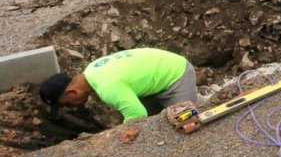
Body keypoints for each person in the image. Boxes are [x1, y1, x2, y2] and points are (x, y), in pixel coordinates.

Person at [39, 48, 198, 122]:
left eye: (66, 103)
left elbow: (137, 115)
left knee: (183, 121)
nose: (70, 107)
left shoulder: (107, 87)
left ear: (72, 92)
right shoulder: (92, 69)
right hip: (158, 71)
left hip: (175, 74)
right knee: (154, 121)